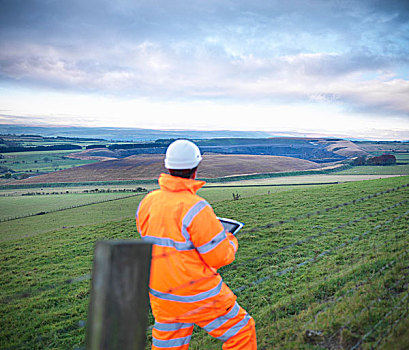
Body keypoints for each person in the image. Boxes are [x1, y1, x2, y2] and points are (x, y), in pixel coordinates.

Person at [136, 139, 257, 350]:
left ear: (168, 167)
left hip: (162, 295)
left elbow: (153, 240)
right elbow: (219, 257)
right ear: (195, 168)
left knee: (169, 347)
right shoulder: (196, 207)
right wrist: (229, 240)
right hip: (199, 295)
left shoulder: (148, 201)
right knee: (242, 333)